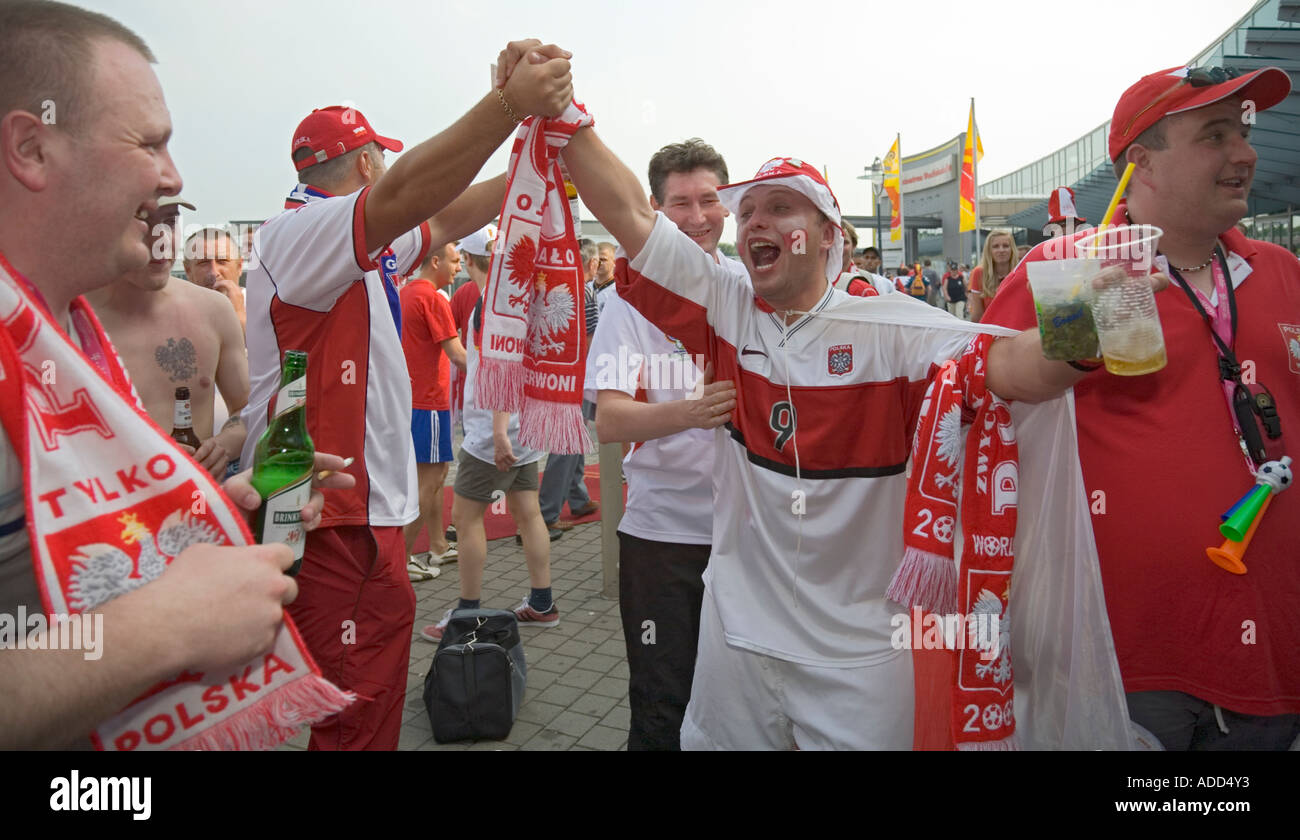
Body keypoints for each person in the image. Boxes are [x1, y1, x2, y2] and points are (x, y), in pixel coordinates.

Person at [555, 99, 1091, 747]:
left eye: (780, 207)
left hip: (858, 659)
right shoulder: (726, 305)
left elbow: (1016, 366)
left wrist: (1098, 311)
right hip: (737, 648)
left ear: (830, 235)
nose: (755, 219)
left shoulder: (889, 327)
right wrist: (564, 111)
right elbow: (630, 215)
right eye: (748, 209)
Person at [0, 0, 349, 749]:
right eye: (149, 144)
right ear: (31, 150)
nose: (172, 176)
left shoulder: (60, 326)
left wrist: (225, 515)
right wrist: (156, 632)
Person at [240, 41, 573, 750]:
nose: (387, 171)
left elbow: (447, 215)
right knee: (356, 703)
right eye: (381, 160)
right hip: (335, 514)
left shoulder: (345, 240)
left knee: (361, 691)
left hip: (357, 509)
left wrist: (536, 151)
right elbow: (406, 196)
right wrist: (508, 100)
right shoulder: (300, 233)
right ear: (365, 164)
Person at [982, 64, 1300, 750]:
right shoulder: (1064, 267)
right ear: (1142, 163)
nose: (1244, 152)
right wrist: (1086, 322)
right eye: (1214, 135)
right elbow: (994, 388)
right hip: (1117, 661)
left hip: (1272, 653)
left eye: (1242, 132)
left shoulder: (1280, 272)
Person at [585, 137, 744, 750]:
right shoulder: (626, 298)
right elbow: (611, 421)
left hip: (750, 535)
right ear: (653, 209)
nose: (698, 217)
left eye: (709, 200)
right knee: (663, 700)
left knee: (740, 701)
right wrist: (691, 412)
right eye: (680, 203)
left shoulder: (747, 286)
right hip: (664, 538)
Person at [421, 293, 559, 642]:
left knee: (467, 518)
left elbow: (502, 364)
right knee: (528, 512)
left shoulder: (500, 300)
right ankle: (542, 603)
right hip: (523, 425)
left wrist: (498, 432)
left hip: (495, 430)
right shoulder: (536, 296)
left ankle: (467, 614)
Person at [85, 197, 248, 480]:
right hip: (102, 512)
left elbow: (247, 409)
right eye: (141, 219)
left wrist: (221, 447)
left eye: (170, 220)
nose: (161, 238)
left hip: (193, 507)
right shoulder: (68, 316)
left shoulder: (213, 310)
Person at [401, 241, 467, 581]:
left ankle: (438, 544)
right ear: (435, 261)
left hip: (412, 400)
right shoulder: (431, 298)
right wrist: (499, 373)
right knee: (428, 480)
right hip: (428, 401)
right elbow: (457, 354)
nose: (459, 268)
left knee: (433, 477)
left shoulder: (406, 292)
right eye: (455, 261)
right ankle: (402, 558)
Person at [449, 224, 496, 432]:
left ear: (468, 259)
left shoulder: (465, 293)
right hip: (514, 414)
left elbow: (449, 337)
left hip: (481, 408)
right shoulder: (519, 295)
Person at [183, 226, 246, 331]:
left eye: (222, 261)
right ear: (188, 270)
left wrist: (240, 318)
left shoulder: (266, 307)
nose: (213, 272)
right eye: (203, 262)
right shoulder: (173, 313)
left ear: (239, 266)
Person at [967, 229, 1018, 322]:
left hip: (1017, 331)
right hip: (990, 331)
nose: (1001, 250)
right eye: (995, 246)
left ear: (1012, 249)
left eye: (1006, 246)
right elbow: (977, 316)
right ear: (989, 250)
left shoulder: (1020, 272)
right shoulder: (978, 273)